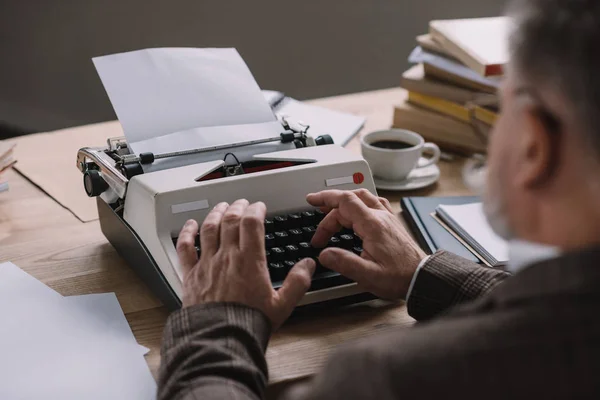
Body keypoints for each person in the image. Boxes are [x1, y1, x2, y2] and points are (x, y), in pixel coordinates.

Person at [157, 0, 600, 398]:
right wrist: (424, 272)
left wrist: (214, 327)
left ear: (533, 146)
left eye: (498, 109)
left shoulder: (383, 379)